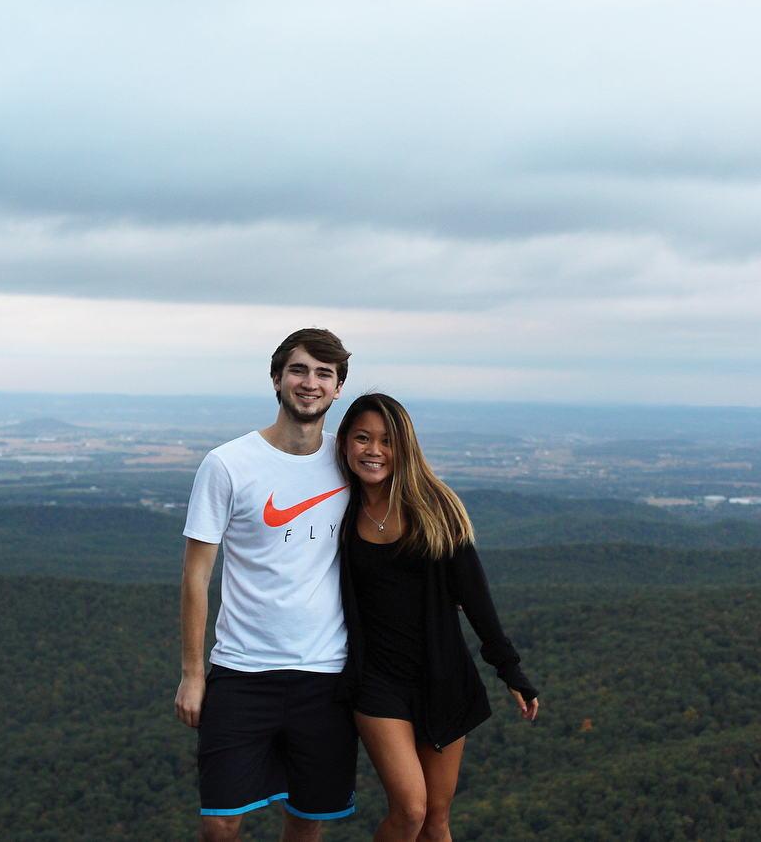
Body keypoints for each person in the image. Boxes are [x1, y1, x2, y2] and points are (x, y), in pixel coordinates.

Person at [175, 329, 357, 842]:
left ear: (338, 388)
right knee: (220, 822)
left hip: (326, 674)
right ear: (277, 379)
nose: (310, 383)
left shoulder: (350, 461)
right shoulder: (228, 464)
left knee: (307, 818)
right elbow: (196, 575)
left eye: (325, 374)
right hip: (241, 670)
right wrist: (193, 674)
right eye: (299, 370)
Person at [335, 393, 539, 841]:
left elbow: (476, 598)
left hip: (442, 678)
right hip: (376, 682)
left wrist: (511, 670)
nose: (374, 450)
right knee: (410, 809)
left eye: (387, 441)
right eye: (362, 438)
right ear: (345, 443)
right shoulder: (338, 511)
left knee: (436, 821)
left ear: (404, 446)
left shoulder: (436, 509)